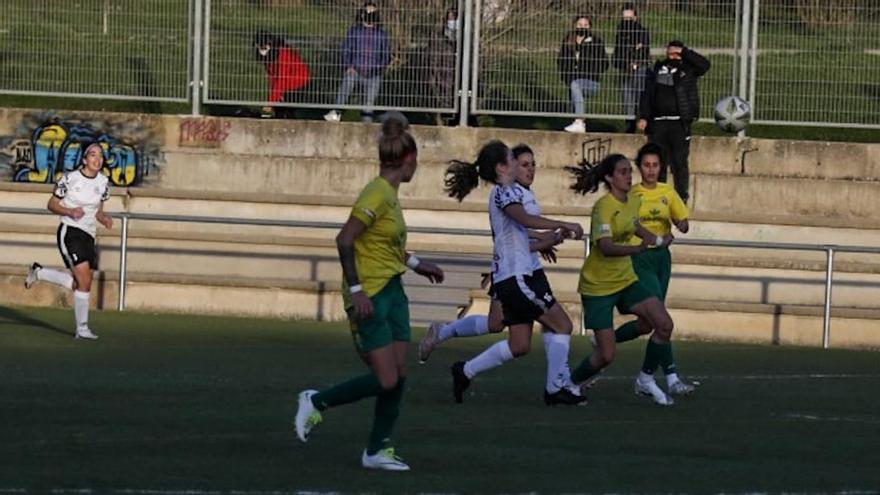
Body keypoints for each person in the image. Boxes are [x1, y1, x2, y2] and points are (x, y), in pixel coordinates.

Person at [294, 116, 444, 472]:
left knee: (399, 374)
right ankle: (316, 401)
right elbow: (345, 239)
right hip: (372, 295)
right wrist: (358, 290)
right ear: (409, 159)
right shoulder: (376, 192)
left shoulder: (389, 195)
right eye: (416, 161)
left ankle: (377, 450)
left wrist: (417, 263)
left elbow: (384, 246)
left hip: (392, 290)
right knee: (386, 378)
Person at [443, 141, 587, 406]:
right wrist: (561, 223)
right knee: (562, 324)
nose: (521, 165)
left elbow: (521, 230)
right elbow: (524, 220)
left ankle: (465, 371)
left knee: (519, 344)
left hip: (517, 276)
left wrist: (549, 237)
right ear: (501, 167)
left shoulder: (509, 192)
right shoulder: (504, 192)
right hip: (516, 278)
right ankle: (556, 389)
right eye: (513, 159)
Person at [418, 145, 558, 364]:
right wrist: (546, 238)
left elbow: (517, 232)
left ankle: (444, 334)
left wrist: (541, 240)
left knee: (496, 323)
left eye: (533, 164)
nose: (530, 170)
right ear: (504, 167)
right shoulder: (505, 193)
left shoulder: (522, 193)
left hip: (519, 268)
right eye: (523, 164)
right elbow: (508, 236)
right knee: (556, 324)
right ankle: (561, 382)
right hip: (514, 271)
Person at [566, 153, 677, 406]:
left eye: (629, 171)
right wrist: (636, 250)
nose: (629, 176)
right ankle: (570, 384)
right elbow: (605, 246)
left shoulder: (632, 202)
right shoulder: (603, 207)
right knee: (606, 355)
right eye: (623, 172)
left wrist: (659, 241)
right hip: (599, 286)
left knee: (663, 324)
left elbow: (636, 226)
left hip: (626, 279)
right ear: (609, 177)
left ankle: (645, 378)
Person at [613, 143, 695, 395]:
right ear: (639, 168)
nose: (651, 170)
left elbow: (682, 221)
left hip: (661, 260)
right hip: (639, 258)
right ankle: (669, 378)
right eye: (646, 165)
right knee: (662, 320)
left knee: (647, 324)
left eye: (655, 165)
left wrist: (681, 224)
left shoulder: (667, 192)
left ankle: (605, 340)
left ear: (661, 168)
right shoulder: (632, 193)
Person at [24, 143, 112, 340]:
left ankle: (39, 272)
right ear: (84, 159)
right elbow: (51, 204)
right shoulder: (70, 179)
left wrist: (104, 218)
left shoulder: (104, 182)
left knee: (81, 283)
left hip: (89, 235)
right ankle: (82, 329)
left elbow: (98, 211)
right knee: (84, 282)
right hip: (70, 232)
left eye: (100, 155)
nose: (97, 159)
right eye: (92, 154)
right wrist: (70, 211)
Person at [637, 40, 710, 203]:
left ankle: (680, 196)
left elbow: (705, 65)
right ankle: (657, 195)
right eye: (670, 53)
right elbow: (648, 95)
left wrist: (684, 52)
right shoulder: (657, 70)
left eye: (676, 53)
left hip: (679, 123)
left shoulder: (688, 70)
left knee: (679, 161)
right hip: (658, 123)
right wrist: (644, 116)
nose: (672, 56)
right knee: (658, 162)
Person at [324, 2, 391, 123]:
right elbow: (346, 49)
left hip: (374, 73)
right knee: (345, 87)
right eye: (368, 12)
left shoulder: (381, 34)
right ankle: (336, 112)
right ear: (362, 14)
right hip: (355, 70)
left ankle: (366, 127)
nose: (370, 15)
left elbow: (386, 54)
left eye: (373, 13)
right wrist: (348, 66)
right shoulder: (355, 31)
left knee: (369, 104)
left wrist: (380, 69)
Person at [556, 15, 609, 134]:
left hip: (591, 81)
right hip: (572, 81)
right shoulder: (568, 41)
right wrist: (566, 76)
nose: (582, 27)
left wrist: (590, 70)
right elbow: (562, 60)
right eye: (580, 25)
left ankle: (580, 121)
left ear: (590, 27)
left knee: (576, 85)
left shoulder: (596, 42)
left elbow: (604, 64)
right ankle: (576, 126)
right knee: (573, 101)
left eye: (586, 25)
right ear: (575, 26)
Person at [611, 4, 650, 133]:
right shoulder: (620, 33)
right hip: (624, 70)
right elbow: (618, 53)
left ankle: (646, 129)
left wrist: (635, 60)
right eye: (624, 18)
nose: (627, 20)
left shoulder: (642, 32)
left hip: (640, 69)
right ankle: (629, 130)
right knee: (627, 101)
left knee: (641, 101)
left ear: (636, 17)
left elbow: (643, 51)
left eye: (630, 17)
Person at [253, 31, 310, 119]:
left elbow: (282, 79)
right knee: (279, 108)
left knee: (288, 109)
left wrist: (270, 103)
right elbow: (272, 77)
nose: (262, 50)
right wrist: (273, 96)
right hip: (284, 84)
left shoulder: (284, 53)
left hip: (298, 84)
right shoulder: (267, 57)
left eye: (264, 47)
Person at [429, 7, 459, 126]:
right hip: (445, 74)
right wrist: (435, 72)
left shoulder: (467, 36)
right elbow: (434, 56)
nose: (452, 22)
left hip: (462, 76)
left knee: (461, 97)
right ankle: (446, 121)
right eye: (450, 18)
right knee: (446, 100)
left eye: (455, 18)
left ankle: (460, 120)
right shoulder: (439, 36)